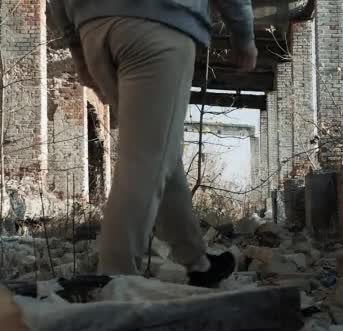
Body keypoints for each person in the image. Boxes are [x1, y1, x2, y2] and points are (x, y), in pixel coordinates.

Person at [48, 0, 258, 288]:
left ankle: (198, 262)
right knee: (146, 159)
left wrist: (77, 49)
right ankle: (114, 278)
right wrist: (244, 34)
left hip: (93, 31)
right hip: (159, 26)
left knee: (158, 153)